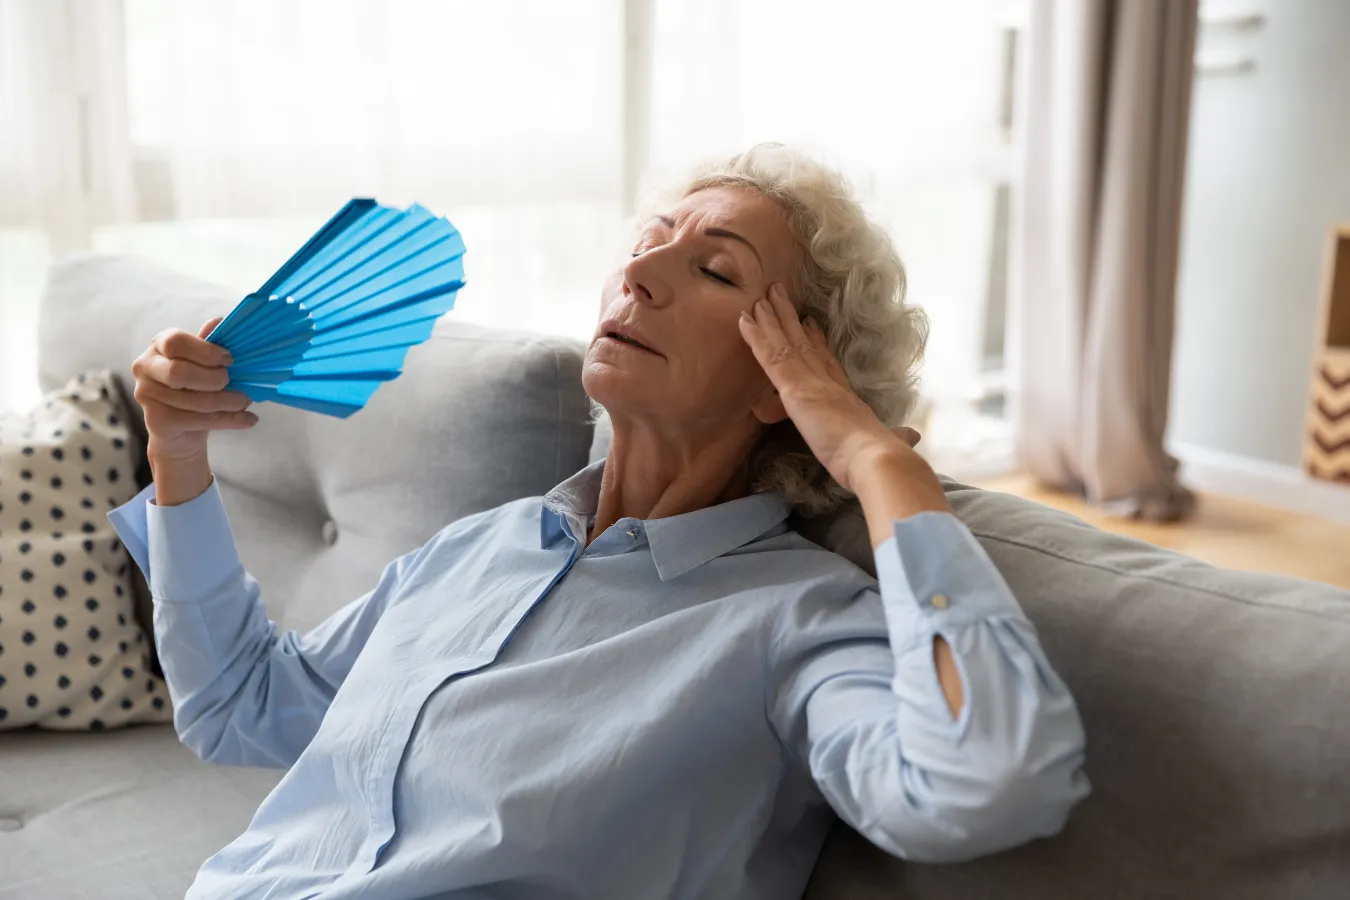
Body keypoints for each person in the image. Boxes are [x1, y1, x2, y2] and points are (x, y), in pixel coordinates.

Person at [110, 143, 1089, 900]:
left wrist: (879, 460)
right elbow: (242, 704)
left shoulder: (798, 623)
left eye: (715, 270)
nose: (642, 275)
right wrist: (179, 456)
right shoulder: (484, 546)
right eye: (646, 243)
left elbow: (989, 781)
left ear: (790, 382)